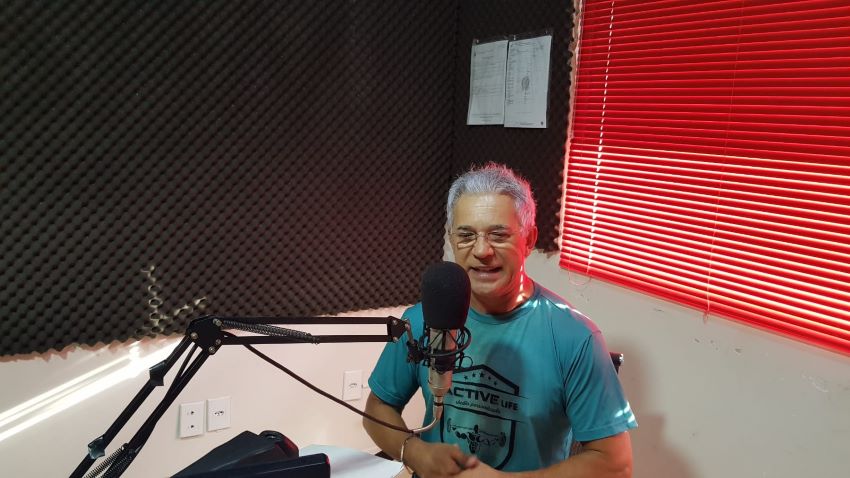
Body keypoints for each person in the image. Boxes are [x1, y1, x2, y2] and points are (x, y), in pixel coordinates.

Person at [363, 163, 636, 477]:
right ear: (450, 239)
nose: (482, 250)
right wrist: (415, 452)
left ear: (529, 239)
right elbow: (377, 409)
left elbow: (616, 464)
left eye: (498, 235)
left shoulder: (575, 337)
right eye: (466, 235)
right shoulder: (424, 318)